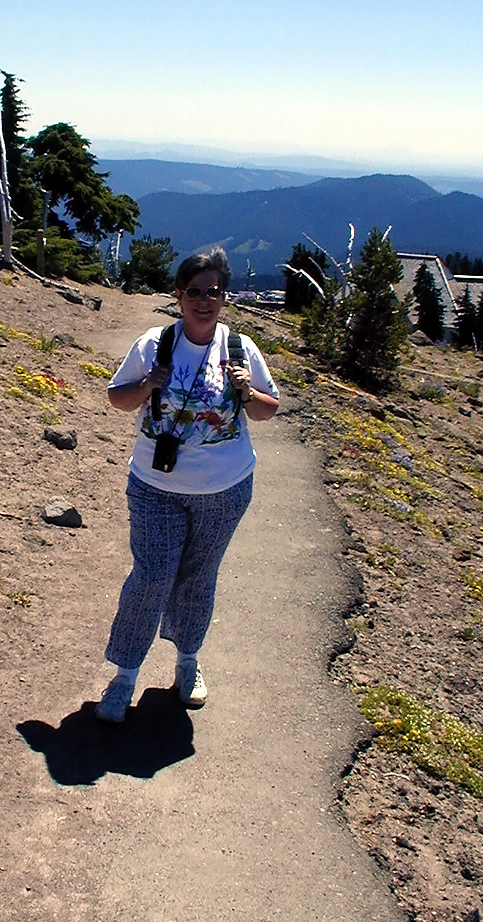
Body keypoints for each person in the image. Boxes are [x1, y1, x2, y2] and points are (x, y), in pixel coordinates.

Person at [96, 247, 280, 723]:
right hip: (155, 486)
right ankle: (124, 676)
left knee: (199, 578)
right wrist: (146, 388)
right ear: (178, 296)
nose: (204, 300)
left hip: (225, 489)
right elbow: (117, 398)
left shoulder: (240, 349)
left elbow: (267, 408)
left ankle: (187, 663)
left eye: (213, 292)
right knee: (152, 577)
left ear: (224, 298)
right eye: (194, 291)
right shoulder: (154, 345)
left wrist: (247, 391)